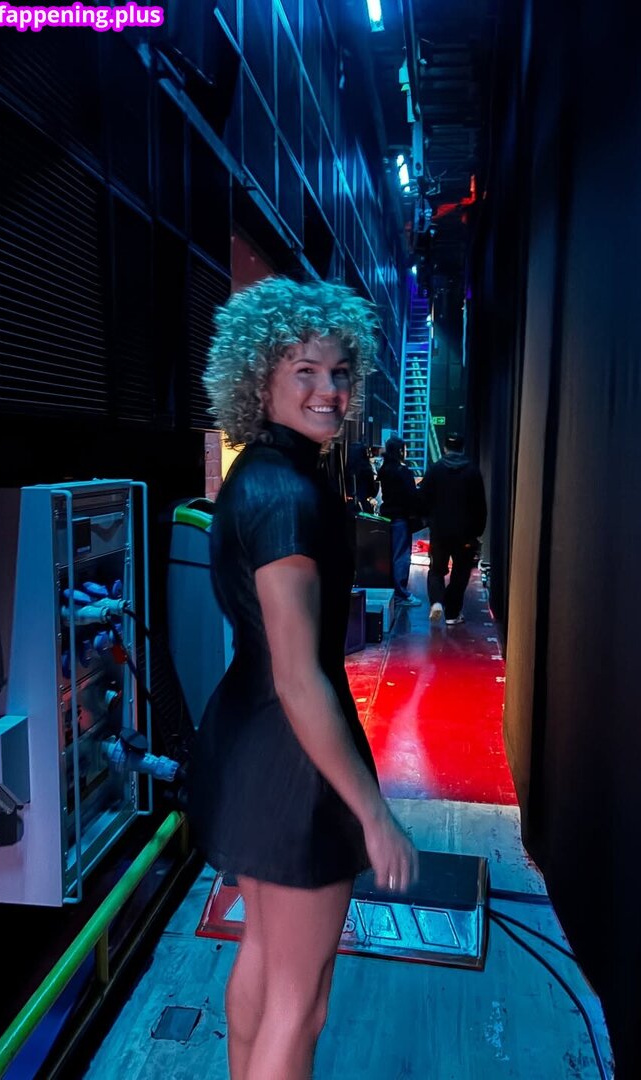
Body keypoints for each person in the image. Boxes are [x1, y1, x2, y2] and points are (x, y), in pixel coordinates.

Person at [187, 276, 418, 1080]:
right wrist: (374, 815)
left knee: (262, 956)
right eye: (305, 371)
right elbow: (299, 679)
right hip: (294, 768)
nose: (330, 390)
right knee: (302, 1001)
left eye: (341, 372)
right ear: (259, 380)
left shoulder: (256, 474)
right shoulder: (288, 496)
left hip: (248, 752)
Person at [418, 432, 487, 625]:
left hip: (440, 532)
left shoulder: (435, 470)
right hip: (465, 534)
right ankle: (452, 614)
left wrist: (428, 520)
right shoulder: (472, 471)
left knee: (436, 570)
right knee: (460, 572)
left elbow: (422, 499)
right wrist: (477, 531)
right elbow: (480, 506)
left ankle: (437, 602)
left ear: (444, 448)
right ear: (463, 448)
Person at [376, 435, 423, 607]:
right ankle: (401, 594)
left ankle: (391, 591)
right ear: (400, 451)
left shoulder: (384, 469)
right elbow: (412, 496)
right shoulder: (403, 471)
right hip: (400, 518)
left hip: (385, 517)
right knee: (401, 556)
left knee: (389, 556)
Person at [345, 440, 379, 514]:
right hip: (364, 506)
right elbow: (372, 491)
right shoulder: (367, 468)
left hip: (348, 505)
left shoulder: (346, 469)